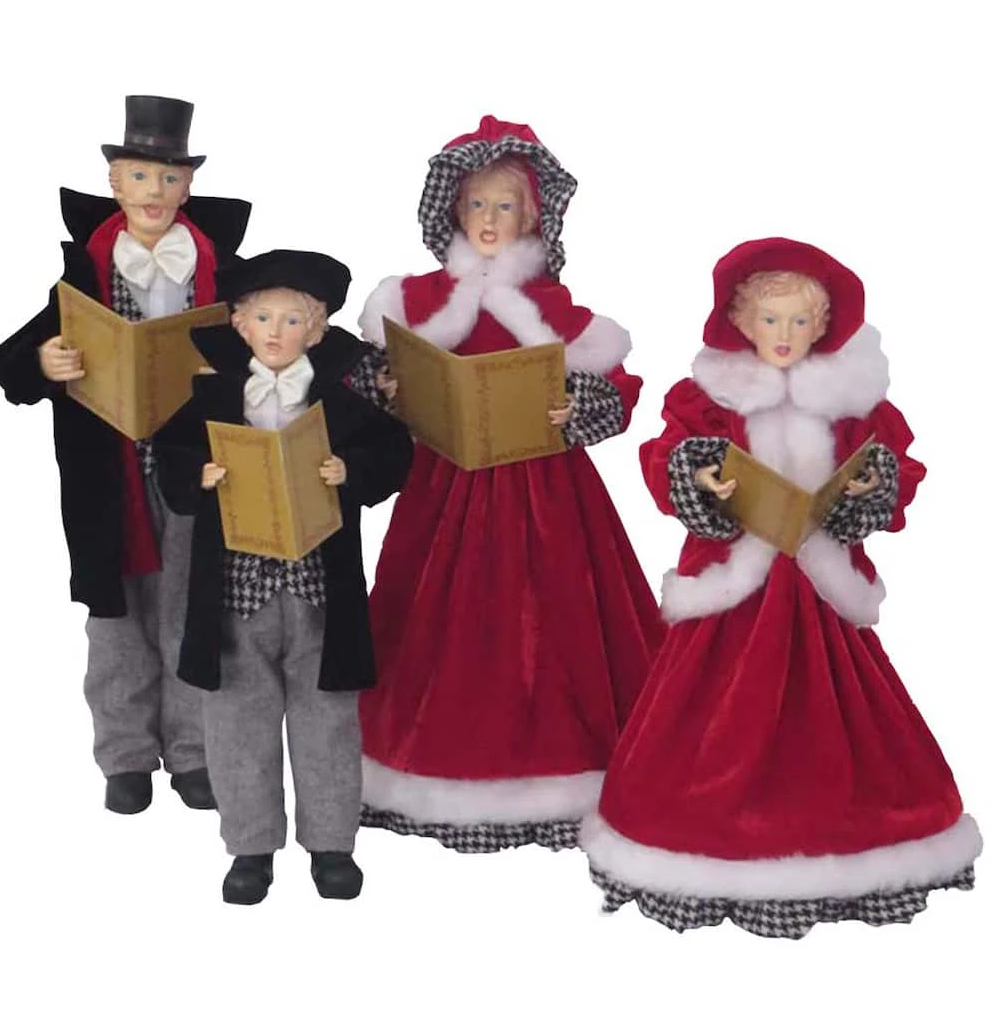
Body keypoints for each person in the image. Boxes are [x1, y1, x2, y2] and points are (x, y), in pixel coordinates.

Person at [581, 237, 982, 937]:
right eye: (770, 320)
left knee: (840, 706)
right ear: (741, 322)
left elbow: (897, 464)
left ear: (823, 326)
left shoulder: (850, 403)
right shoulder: (712, 397)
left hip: (820, 586)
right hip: (732, 585)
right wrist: (700, 475)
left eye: (800, 321)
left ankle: (843, 836)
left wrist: (869, 483)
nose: (785, 335)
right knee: (708, 709)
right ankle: (703, 839)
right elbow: (665, 454)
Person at [355, 115, 664, 852]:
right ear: (453, 211)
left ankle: (564, 769)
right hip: (444, 488)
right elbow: (365, 376)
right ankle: (433, 764)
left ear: (532, 217)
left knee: (560, 615)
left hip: (545, 490)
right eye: (476, 204)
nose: (489, 219)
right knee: (431, 616)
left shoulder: (559, 312)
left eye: (505, 205)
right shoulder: (415, 300)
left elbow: (618, 390)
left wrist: (575, 406)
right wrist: (388, 386)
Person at [0, 96, 251, 815]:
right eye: (139, 177)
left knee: (195, 606)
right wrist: (43, 360)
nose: (154, 193)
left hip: (199, 466)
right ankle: (126, 754)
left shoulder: (226, 274)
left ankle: (193, 751)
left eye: (168, 179)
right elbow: (13, 360)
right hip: (107, 472)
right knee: (116, 614)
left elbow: (272, 347)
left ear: (187, 187)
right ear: (115, 184)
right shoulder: (82, 277)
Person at [155, 250, 413, 904]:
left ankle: (332, 845)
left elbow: (393, 451)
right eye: (264, 318)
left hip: (319, 587)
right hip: (234, 591)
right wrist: (200, 474)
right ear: (240, 324)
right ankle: (249, 847)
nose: (276, 331)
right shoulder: (211, 394)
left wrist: (349, 471)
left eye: (293, 319)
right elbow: (169, 454)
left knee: (327, 720)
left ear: (317, 329)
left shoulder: (342, 398)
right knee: (237, 722)